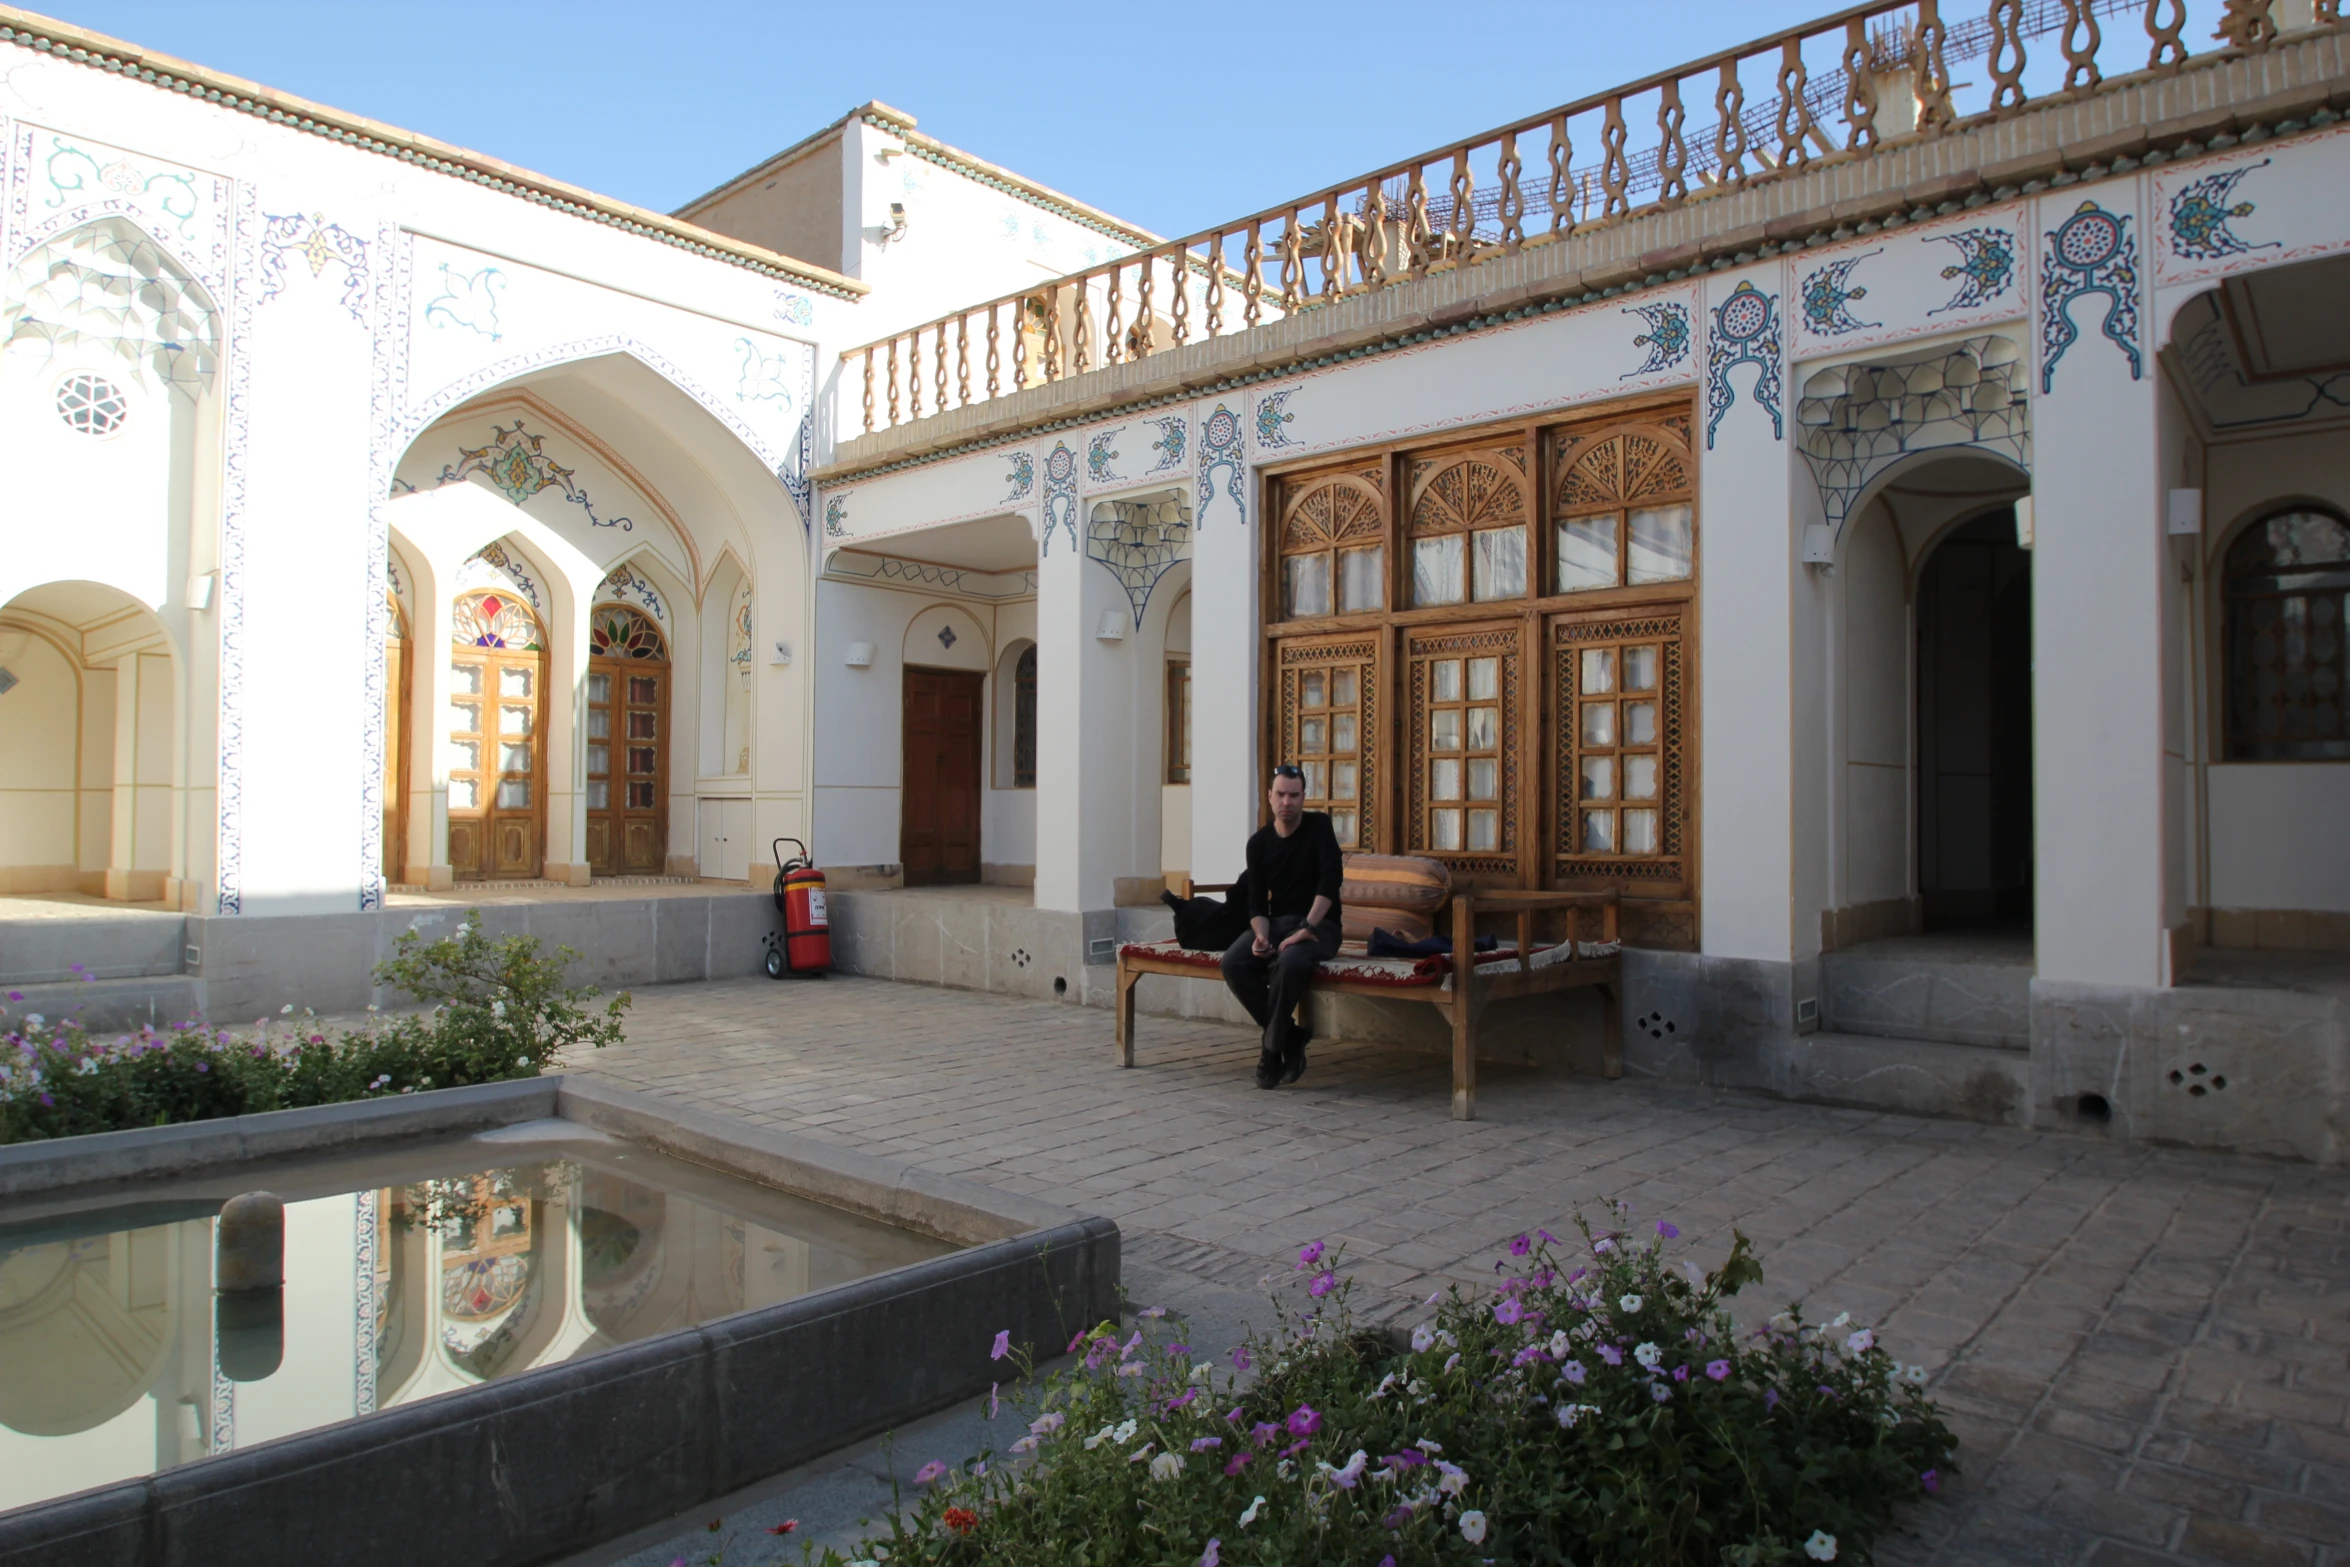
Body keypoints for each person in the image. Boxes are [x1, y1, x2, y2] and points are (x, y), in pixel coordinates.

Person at [1220, 764, 1343, 1089]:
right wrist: (1260, 935)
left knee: (1289, 962)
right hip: (1277, 924)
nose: (1286, 801)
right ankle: (1291, 1036)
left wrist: (1307, 927)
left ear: (1304, 797)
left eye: (1294, 795)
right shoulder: (1258, 843)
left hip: (1321, 925)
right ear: (1270, 797)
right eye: (1281, 795)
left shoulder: (1319, 827)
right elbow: (1257, 903)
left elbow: (1331, 882)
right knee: (1234, 961)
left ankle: (1271, 1050)